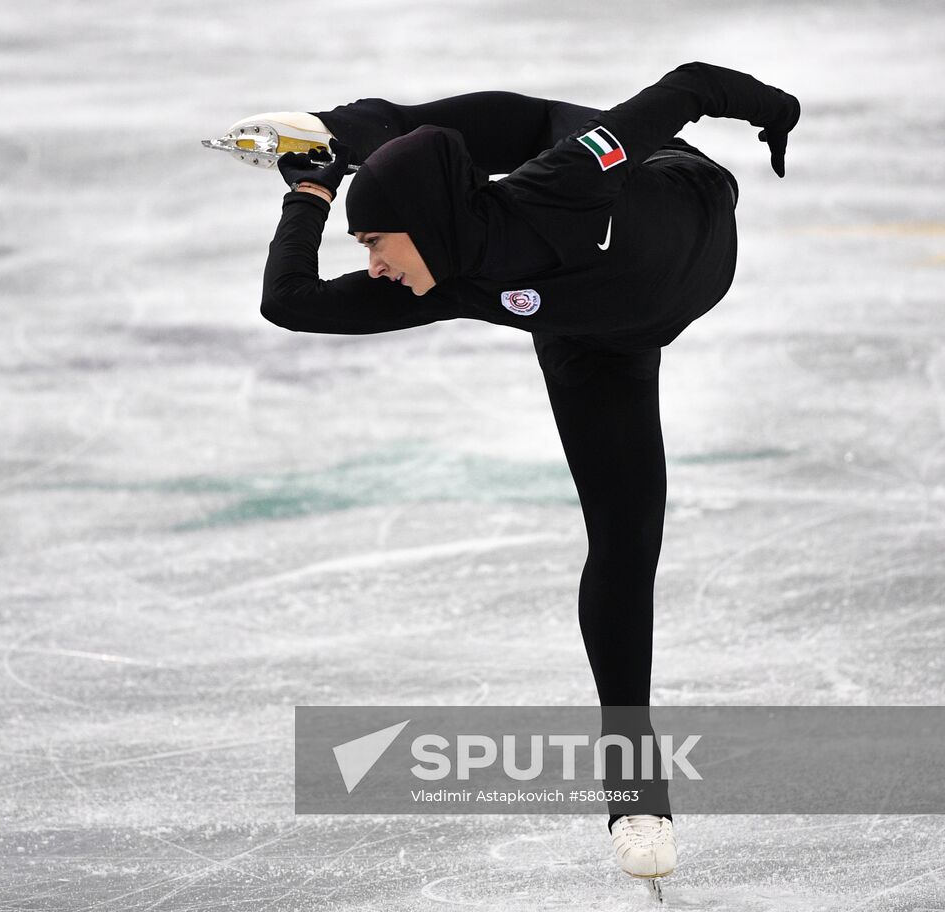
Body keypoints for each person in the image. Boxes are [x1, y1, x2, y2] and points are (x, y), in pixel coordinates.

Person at [239, 62, 800, 891]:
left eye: (374, 244)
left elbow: (689, 87)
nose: (373, 267)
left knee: (533, 121)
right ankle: (636, 791)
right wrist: (310, 196)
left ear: (419, 230)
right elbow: (289, 300)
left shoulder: (572, 175)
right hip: (596, 339)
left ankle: (354, 125)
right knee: (624, 543)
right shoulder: (441, 283)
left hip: (685, 205)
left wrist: (776, 108)